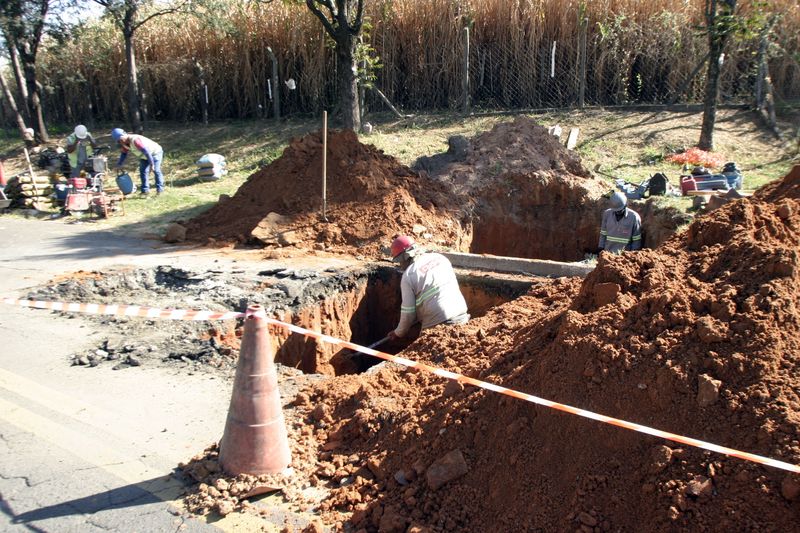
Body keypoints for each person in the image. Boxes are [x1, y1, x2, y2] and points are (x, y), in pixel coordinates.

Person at [387, 235, 470, 341]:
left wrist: (398, 333)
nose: (400, 265)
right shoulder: (440, 258)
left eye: (399, 261)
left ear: (404, 258)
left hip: (438, 325)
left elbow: (408, 315)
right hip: (461, 315)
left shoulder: (409, 275)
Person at [111, 128, 165, 195]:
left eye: (120, 139)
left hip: (155, 153)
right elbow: (124, 154)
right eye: (118, 141)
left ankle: (160, 190)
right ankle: (145, 191)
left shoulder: (135, 140)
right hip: (144, 156)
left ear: (124, 135)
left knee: (156, 170)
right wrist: (119, 164)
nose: (120, 142)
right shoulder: (124, 143)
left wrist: (152, 164)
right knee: (143, 171)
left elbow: (147, 151)